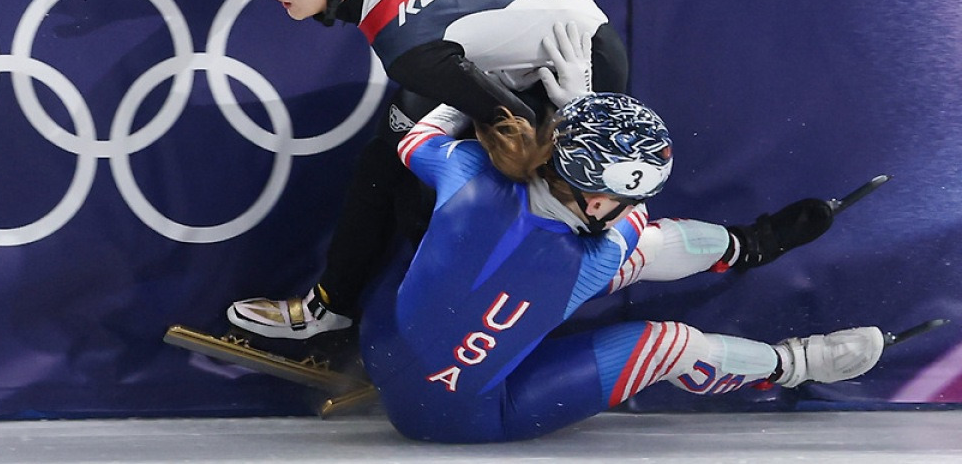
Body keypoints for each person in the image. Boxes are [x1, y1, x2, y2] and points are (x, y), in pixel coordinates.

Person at [177, 0, 833, 341]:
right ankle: (338, 306)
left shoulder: (402, 37)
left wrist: (572, 119)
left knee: (560, 230)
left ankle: (742, 246)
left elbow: (514, 126)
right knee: (395, 155)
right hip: (538, 52)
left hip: (574, 73)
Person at [357, 92, 885, 443]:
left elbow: (416, 140)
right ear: (596, 201)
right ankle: (783, 362)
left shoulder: (468, 168)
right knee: (671, 340)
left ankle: (748, 254)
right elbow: (632, 227)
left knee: (465, 253)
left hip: (380, 340)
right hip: (464, 418)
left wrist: (475, 80)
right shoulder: (608, 247)